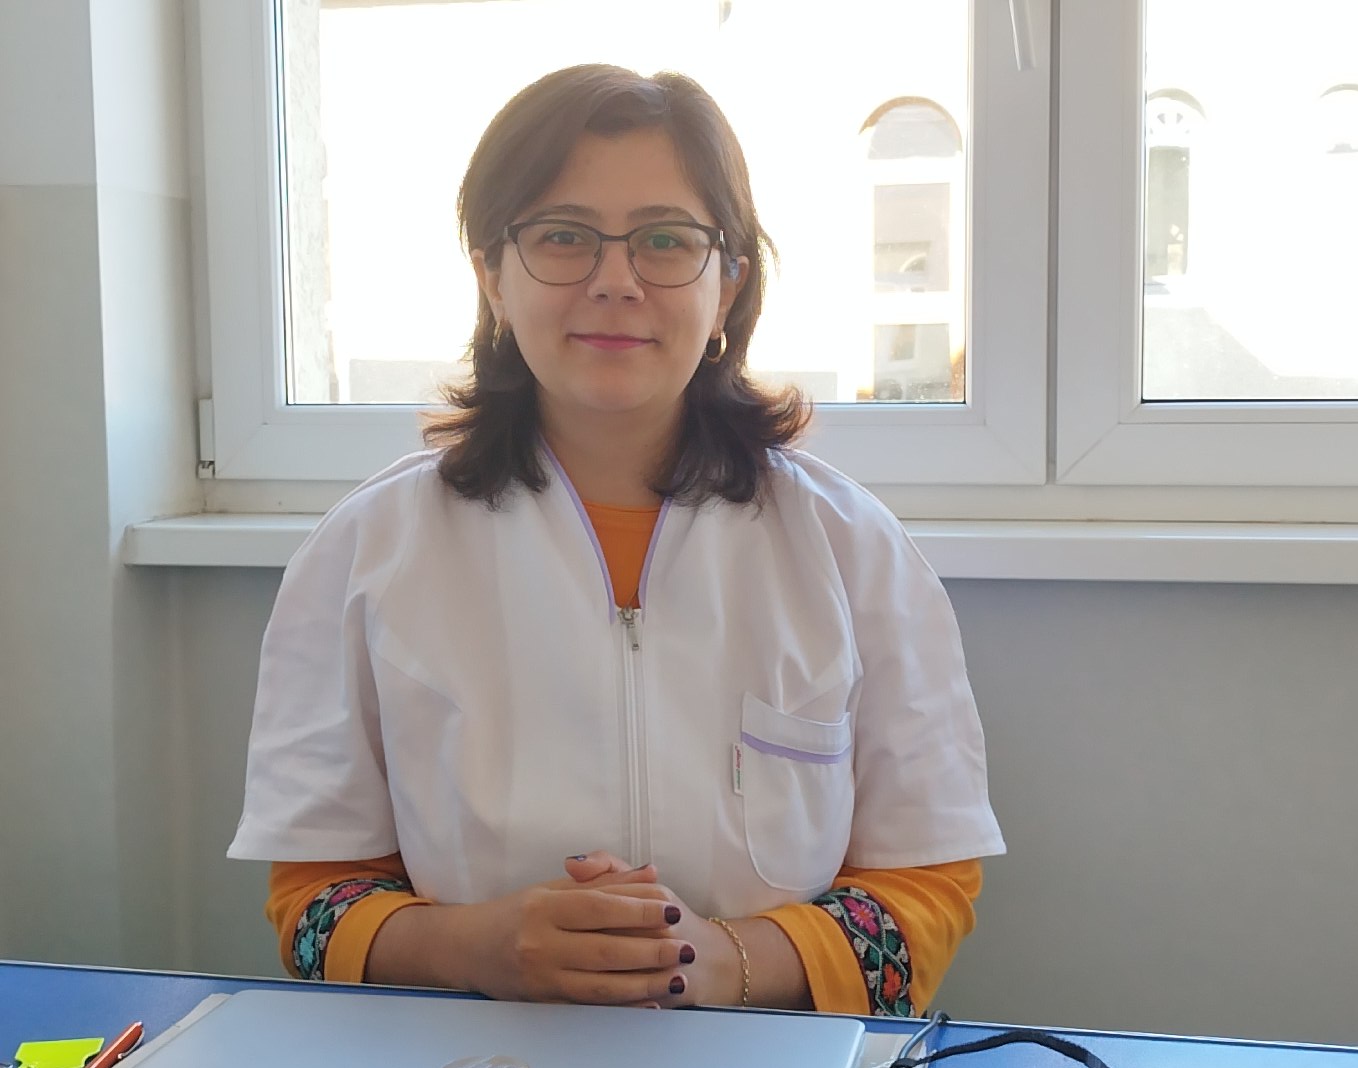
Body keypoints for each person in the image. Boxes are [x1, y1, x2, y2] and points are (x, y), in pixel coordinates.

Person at [228, 63, 1005, 1017]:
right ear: (493, 277)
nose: (615, 282)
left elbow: (929, 886)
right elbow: (311, 905)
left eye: (665, 240)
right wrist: (482, 947)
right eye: (563, 236)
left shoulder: (853, 551)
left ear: (728, 286)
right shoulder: (365, 551)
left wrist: (723, 962)